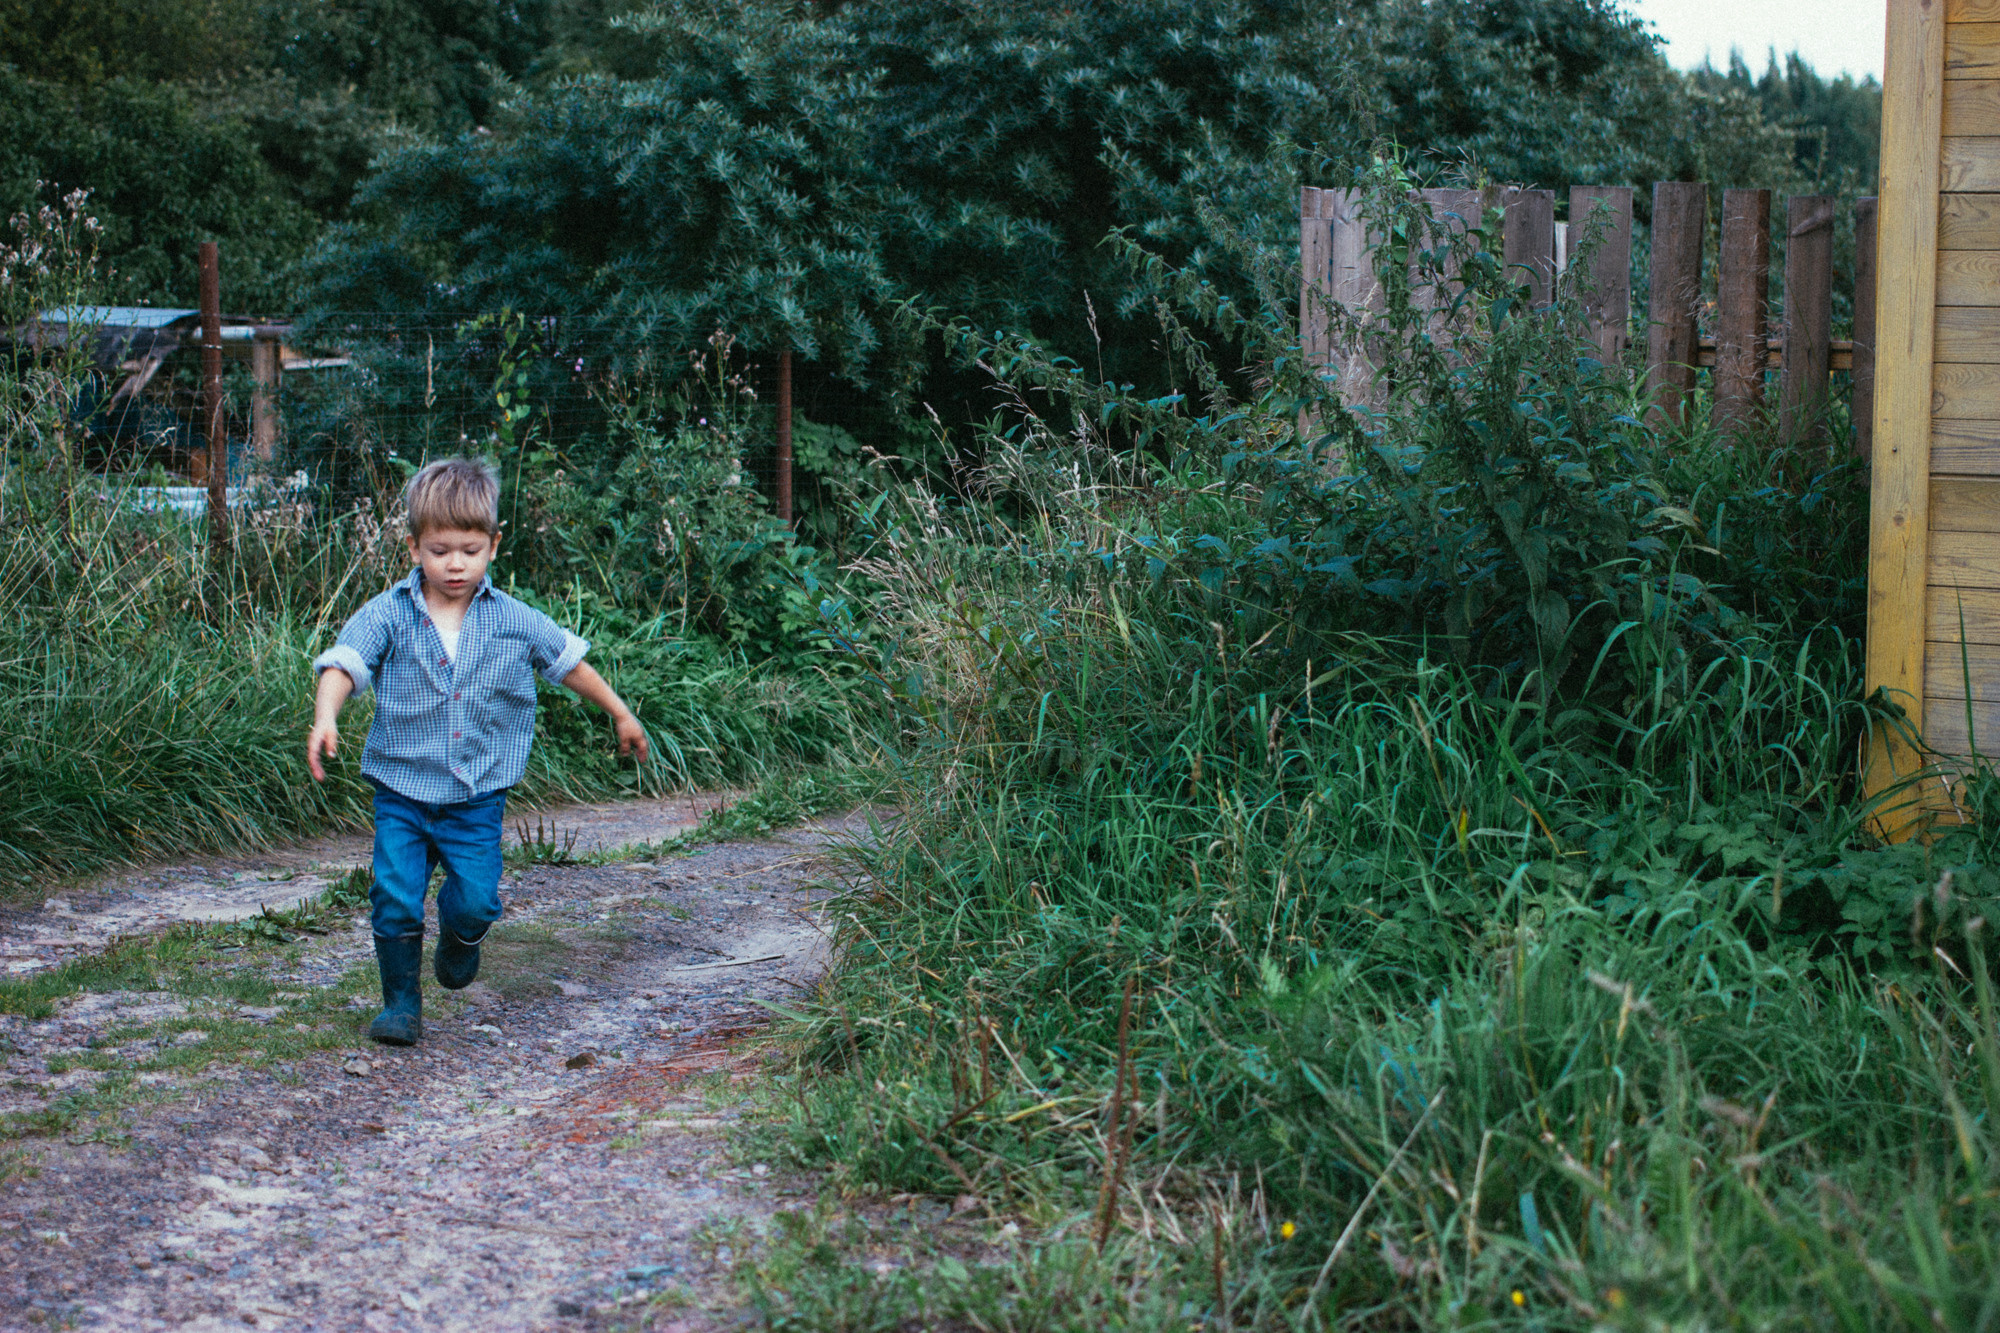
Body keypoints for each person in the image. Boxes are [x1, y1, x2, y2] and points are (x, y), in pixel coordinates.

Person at [306, 457, 649, 1046]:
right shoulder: (389, 613)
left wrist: (619, 712)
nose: (455, 564)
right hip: (402, 794)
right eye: (440, 550)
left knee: (475, 902)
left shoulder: (515, 619)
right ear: (414, 547)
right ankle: (401, 1006)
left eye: (469, 549)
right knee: (394, 895)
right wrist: (325, 715)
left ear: (493, 544)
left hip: (475, 798)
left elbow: (568, 663)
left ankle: (461, 938)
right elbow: (346, 660)